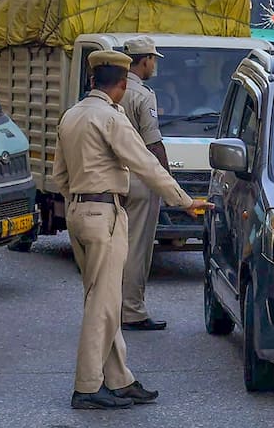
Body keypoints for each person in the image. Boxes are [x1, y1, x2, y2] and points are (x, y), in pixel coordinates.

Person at [53, 50, 210, 410]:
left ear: (93, 80)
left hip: (79, 211)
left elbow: (60, 175)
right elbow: (146, 164)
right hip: (104, 213)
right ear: (122, 85)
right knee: (103, 304)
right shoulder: (110, 117)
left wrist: (79, 204)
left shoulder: (71, 116)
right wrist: (184, 201)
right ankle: (88, 386)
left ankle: (119, 379)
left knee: (103, 298)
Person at [120, 37, 169, 332]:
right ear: (145, 60)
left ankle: (111, 307)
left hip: (112, 177)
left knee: (115, 249)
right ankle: (133, 311)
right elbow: (154, 142)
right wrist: (166, 180)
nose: (155, 64)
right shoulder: (143, 95)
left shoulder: (110, 89)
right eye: (154, 59)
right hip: (139, 178)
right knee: (137, 248)